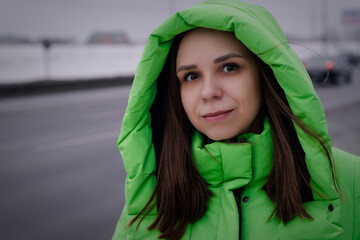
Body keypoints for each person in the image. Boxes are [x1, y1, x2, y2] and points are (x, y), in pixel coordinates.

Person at [112, 1, 360, 239]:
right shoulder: (151, 198)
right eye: (191, 76)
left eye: (229, 67)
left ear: (267, 72)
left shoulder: (352, 181)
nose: (209, 92)